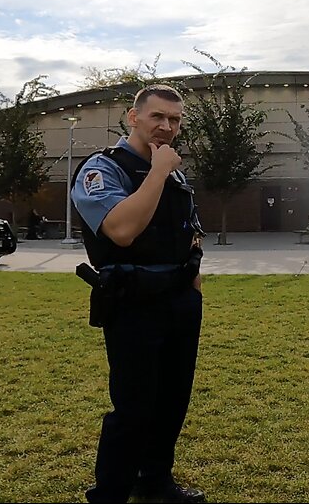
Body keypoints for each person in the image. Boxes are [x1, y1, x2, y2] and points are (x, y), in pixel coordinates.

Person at [70, 84, 207, 504]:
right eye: (157, 117)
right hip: (133, 302)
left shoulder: (175, 172)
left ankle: (156, 482)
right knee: (134, 407)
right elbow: (122, 231)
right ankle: (111, 492)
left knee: (171, 402)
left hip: (180, 301)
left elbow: (189, 233)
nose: (166, 126)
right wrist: (159, 171)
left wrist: (195, 288)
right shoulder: (104, 169)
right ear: (134, 117)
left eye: (175, 120)